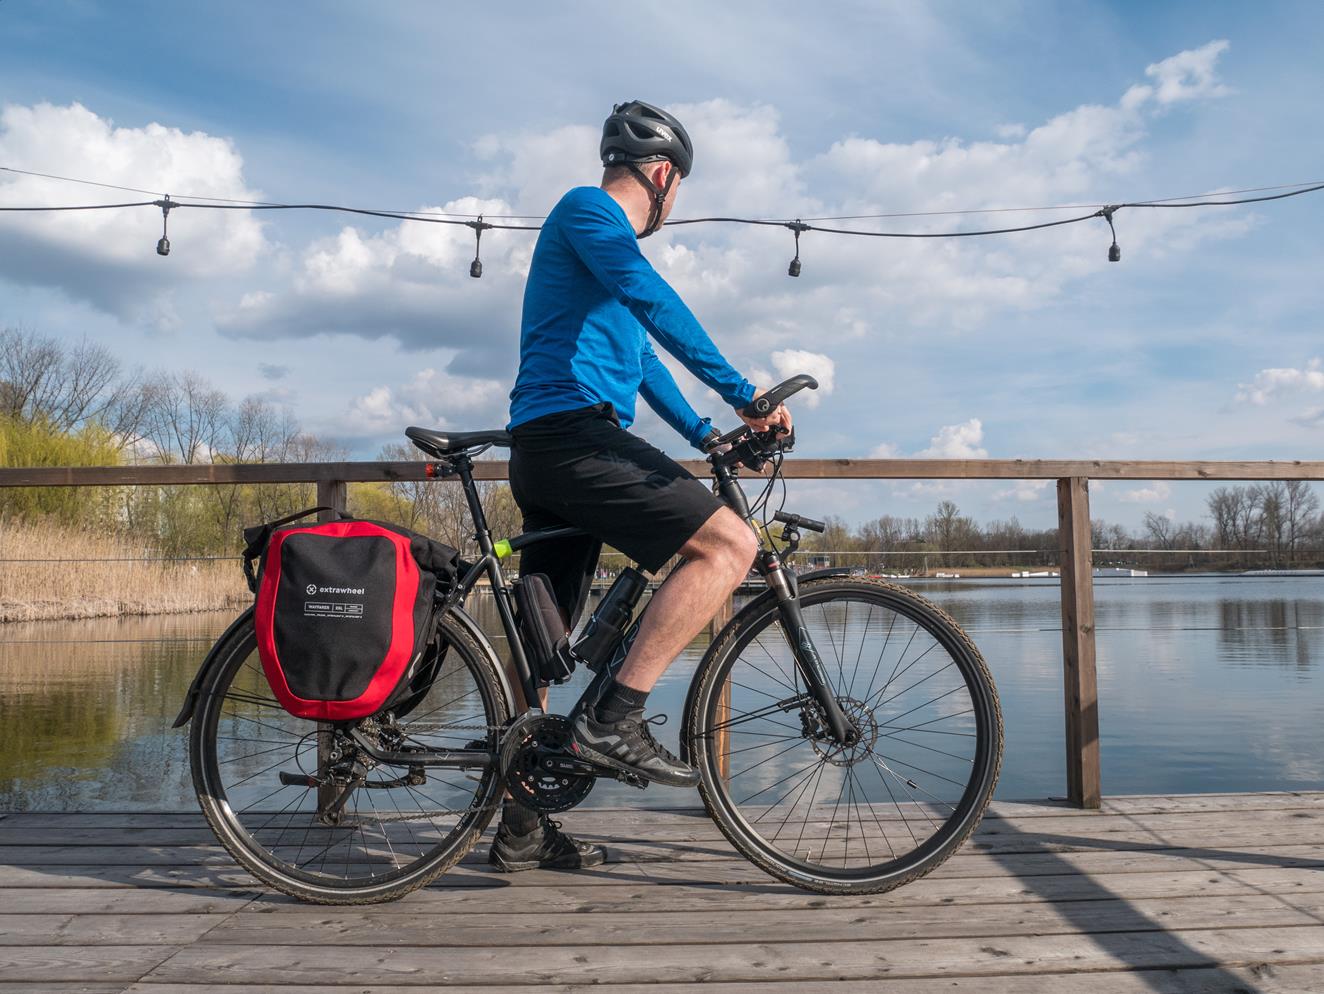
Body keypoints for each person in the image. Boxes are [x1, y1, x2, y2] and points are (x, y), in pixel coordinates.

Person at [486, 100, 791, 872]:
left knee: (545, 648)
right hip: (573, 441)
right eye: (677, 187)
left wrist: (707, 436)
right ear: (662, 176)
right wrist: (745, 393)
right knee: (730, 546)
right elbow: (652, 299)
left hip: (551, 447)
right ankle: (615, 717)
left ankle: (519, 829)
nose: (673, 200)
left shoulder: (598, 252)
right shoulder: (588, 213)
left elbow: (643, 359)